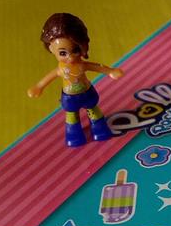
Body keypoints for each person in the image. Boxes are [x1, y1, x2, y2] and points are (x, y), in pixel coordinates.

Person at [28, 13, 124, 147]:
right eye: (63, 53)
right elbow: (50, 77)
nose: (71, 57)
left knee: (94, 111)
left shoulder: (82, 65)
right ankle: (74, 135)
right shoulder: (61, 69)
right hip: (70, 97)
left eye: (75, 50)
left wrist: (110, 71)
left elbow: (96, 66)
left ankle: (100, 129)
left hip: (87, 93)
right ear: (51, 48)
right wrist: (39, 86)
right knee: (72, 116)